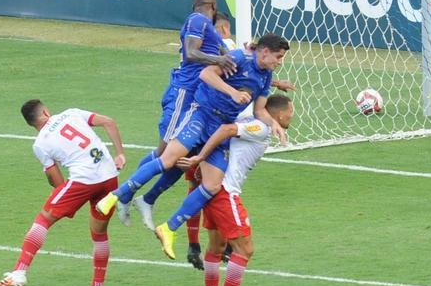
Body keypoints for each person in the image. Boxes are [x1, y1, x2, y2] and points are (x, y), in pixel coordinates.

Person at [97, 33, 290, 259]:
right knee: (168, 160)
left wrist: (274, 123)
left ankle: (168, 228)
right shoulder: (239, 58)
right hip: (201, 115)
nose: (280, 61)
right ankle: (115, 196)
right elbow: (206, 73)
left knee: (212, 185)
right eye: (278, 56)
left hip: (221, 125)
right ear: (264, 51)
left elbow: (259, 110)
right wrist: (232, 92)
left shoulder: (266, 77)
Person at [0, 100, 127, 286]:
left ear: (31, 123)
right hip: (110, 176)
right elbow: (109, 122)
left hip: (84, 179)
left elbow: (57, 180)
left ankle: (19, 272)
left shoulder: (40, 144)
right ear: (46, 111)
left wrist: (68, 198)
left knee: (44, 218)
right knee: (99, 233)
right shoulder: (72, 113)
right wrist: (120, 154)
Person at [127, 0, 237, 236]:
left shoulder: (209, 31)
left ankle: (147, 198)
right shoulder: (199, 22)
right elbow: (191, 53)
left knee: (179, 161)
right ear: (213, 6)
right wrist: (220, 59)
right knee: (165, 154)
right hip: (184, 95)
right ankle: (127, 194)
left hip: (199, 103)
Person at [178, 94, 295, 286]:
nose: (292, 115)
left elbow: (252, 93)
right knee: (244, 249)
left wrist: (272, 83)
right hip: (225, 193)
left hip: (211, 189)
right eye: (291, 111)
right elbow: (227, 130)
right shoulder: (260, 127)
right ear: (279, 114)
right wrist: (200, 156)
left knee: (216, 246)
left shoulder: (249, 115)